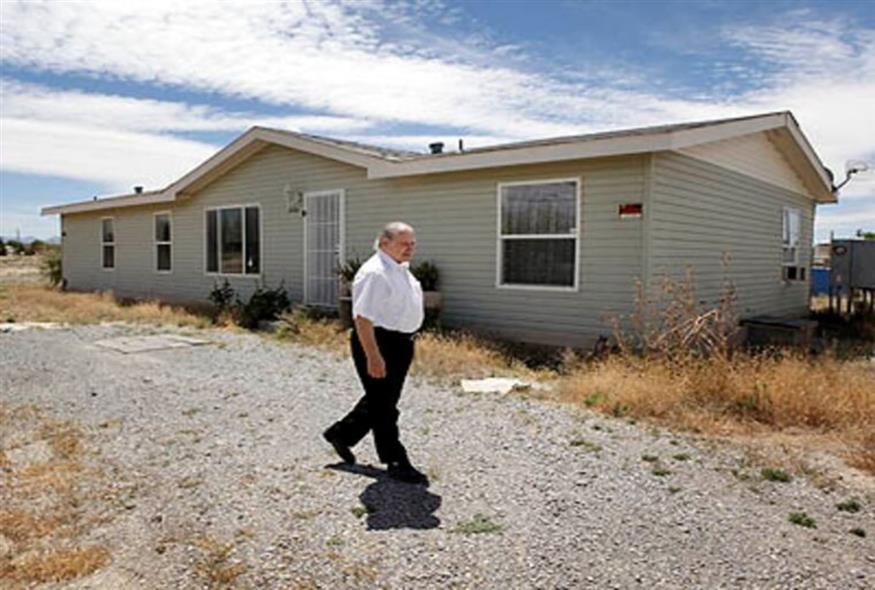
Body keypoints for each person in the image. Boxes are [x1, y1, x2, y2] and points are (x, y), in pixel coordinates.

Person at [323, 221, 428, 485]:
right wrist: (373, 355)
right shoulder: (375, 273)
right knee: (384, 405)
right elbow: (362, 318)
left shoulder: (400, 269)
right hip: (378, 341)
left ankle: (341, 434)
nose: (410, 248)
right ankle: (396, 460)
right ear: (384, 243)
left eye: (412, 243)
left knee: (382, 398)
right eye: (403, 243)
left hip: (401, 343)